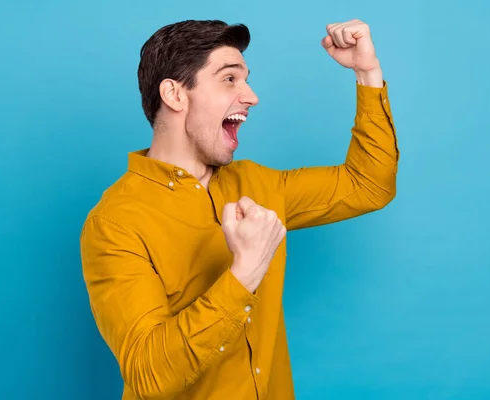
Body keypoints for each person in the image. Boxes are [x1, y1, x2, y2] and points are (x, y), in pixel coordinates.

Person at [80, 18, 399, 400]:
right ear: (175, 94)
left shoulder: (261, 185)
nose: (251, 96)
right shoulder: (115, 223)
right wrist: (244, 272)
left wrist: (367, 72)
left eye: (245, 79)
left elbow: (368, 184)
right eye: (229, 79)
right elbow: (149, 375)